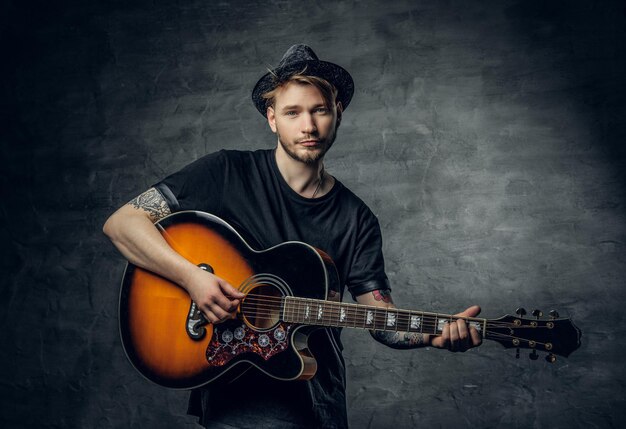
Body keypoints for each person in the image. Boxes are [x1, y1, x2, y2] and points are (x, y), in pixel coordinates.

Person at [103, 44, 482, 429]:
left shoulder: (356, 218)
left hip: (317, 402)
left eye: (319, 110)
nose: (309, 127)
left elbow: (379, 316)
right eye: (292, 112)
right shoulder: (225, 172)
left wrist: (432, 334)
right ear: (272, 119)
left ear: (338, 113)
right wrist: (192, 278)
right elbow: (123, 224)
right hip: (236, 400)